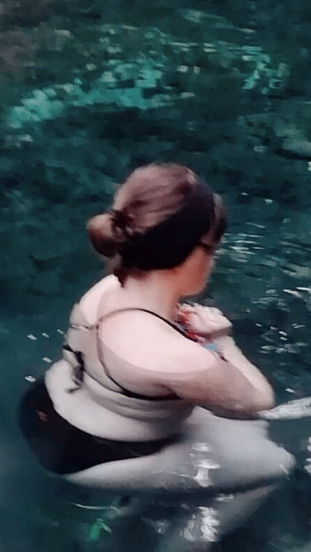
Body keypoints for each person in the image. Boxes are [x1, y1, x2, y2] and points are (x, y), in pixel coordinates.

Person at [19, 162, 295, 494]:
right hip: (90, 457)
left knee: (238, 430)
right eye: (212, 249)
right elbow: (259, 399)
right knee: (278, 462)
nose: (214, 261)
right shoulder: (179, 358)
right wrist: (223, 341)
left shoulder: (105, 289)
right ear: (188, 255)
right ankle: (144, 526)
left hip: (42, 405)